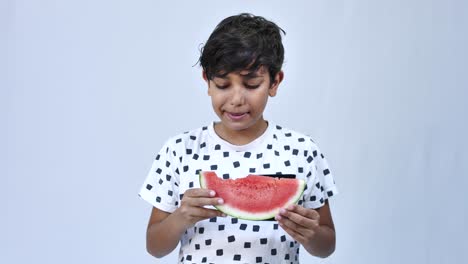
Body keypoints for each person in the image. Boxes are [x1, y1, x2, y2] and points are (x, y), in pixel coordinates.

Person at [138, 13, 338, 263]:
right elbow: (154, 246)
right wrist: (180, 217)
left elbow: (327, 245)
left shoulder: (301, 150)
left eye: (252, 84)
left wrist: (311, 234)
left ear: (275, 82)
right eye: (223, 85)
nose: (236, 99)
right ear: (207, 82)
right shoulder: (180, 150)